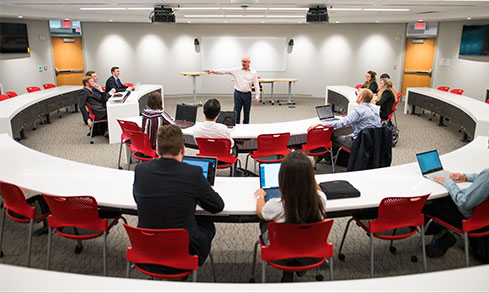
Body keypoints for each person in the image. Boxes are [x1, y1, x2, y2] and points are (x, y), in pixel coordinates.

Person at [133, 125, 224, 272]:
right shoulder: (193, 173)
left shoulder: (141, 170)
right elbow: (217, 206)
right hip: (185, 252)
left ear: (157, 149)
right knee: (207, 224)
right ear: (183, 149)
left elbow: (138, 199)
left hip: (147, 250)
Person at [255, 151, 327, 282]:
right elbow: (318, 191)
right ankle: (299, 263)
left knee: (265, 222)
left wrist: (260, 196)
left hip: (280, 250)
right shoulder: (321, 200)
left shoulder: (276, 206)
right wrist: (308, 175)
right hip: (310, 246)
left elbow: (261, 212)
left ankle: (289, 265)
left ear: (282, 179)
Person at [423, 168, 489, 258]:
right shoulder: (486, 175)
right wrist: (466, 177)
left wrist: (448, 182)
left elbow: (463, 202)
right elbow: (483, 178)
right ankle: (442, 234)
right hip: (485, 217)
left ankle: (441, 236)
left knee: (427, 207)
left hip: (468, 218)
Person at [308, 89, 381, 151]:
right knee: (345, 135)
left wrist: (322, 124)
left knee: (331, 137)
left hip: (358, 143)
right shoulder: (373, 110)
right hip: (371, 143)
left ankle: (330, 158)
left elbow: (342, 123)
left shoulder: (359, 110)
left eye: (357, 94)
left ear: (361, 98)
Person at [205, 56, 260, 124]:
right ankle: (236, 126)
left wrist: (257, 96)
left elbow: (256, 84)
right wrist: (213, 71)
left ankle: (246, 127)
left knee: (247, 113)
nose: (243, 63)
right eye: (242, 61)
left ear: (249, 62)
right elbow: (225, 71)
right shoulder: (236, 70)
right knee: (236, 112)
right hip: (238, 94)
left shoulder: (253, 72)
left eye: (245, 62)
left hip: (247, 95)